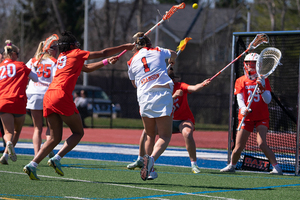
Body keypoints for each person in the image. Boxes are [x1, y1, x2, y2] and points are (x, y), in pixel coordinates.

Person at [23, 31, 134, 180]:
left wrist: (107, 62)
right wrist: (125, 46)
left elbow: (86, 68)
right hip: (61, 95)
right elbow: (103, 52)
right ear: (71, 45)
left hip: (49, 96)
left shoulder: (62, 57)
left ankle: (32, 164)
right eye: (75, 43)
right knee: (78, 132)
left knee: (54, 138)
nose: (77, 45)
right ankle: (56, 158)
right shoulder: (76, 53)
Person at [127, 67, 211, 178]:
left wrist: (203, 84)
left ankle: (194, 164)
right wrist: (174, 96)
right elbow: (160, 102)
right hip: (166, 119)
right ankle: (141, 159)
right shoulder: (158, 88)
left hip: (183, 120)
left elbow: (194, 88)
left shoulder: (180, 85)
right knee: (146, 132)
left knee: (187, 133)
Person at [220, 53, 283, 175]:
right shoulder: (240, 80)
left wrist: (262, 88)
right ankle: (232, 165)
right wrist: (243, 108)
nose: (250, 66)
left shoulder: (263, 79)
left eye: (253, 64)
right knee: (238, 146)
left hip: (261, 116)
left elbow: (268, 100)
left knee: (261, 143)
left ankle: (277, 167)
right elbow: (240, 98)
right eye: (248, 63)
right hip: (246, 117)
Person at [127, 32, 177, 181]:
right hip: (162, 93)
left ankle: (148, 169)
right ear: (149, 43)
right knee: (165, 135)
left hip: (144, 96)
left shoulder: (131, 61)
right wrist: (172, 61)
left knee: (149, 134)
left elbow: (134, 83)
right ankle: (152, 160)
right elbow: (173, 53)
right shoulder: (158, 51)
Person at [0, 40, 38, 165]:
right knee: (16, 131)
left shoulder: (0, 67)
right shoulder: (21, 65)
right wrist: (33, 68)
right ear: (14, 54)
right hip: (18, 100)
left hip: (3, 101)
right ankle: (6, 155)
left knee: (7, 132)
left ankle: (8, 144)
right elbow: (36, 78)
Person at [26, 39, 58, 157]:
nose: (56, 51)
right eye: (54, 48)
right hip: (48, 95)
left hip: (34, 94)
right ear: (48, 49)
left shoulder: (33, 61)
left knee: (37, 128)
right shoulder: (54, 61)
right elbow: (56, 79)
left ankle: (36, 155)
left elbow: (25, 73)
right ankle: (47, 150)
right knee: (50, 127)